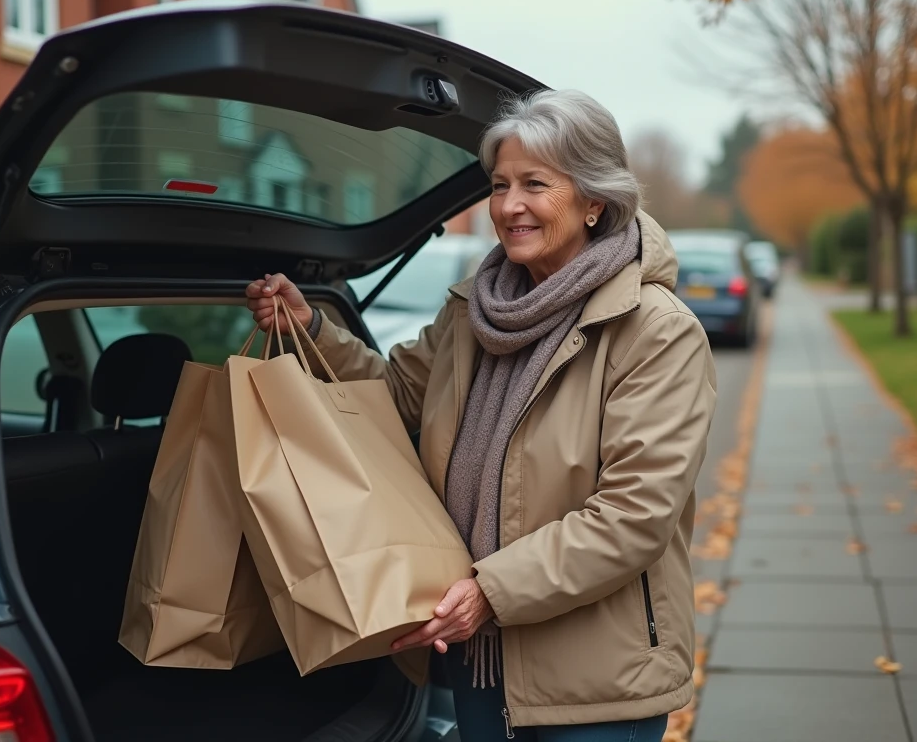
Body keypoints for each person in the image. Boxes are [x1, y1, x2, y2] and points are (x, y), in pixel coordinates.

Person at [247, 89, 717, 741]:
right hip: (477, 660)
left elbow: (634, 515)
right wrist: (314, 329)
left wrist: (491, 590)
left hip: (596, 683)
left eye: (534, 184)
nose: (509, 206)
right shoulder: (474, 313)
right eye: (499, 185)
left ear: (593, 200)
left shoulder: (655, 332)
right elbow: (391, 400)